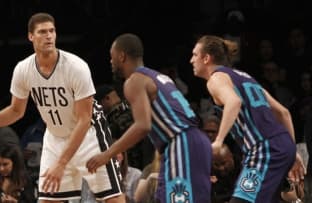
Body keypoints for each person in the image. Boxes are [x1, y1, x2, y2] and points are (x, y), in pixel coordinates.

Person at [0, 12, 124, 203]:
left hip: (88, 137)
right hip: (55, 137)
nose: (49, 36)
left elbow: (84, 120)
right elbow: (16, 110)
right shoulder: (23, 69)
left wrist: (62, 163)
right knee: (47, 199)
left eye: (52, 31)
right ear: (31, 36)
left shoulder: (76, 67)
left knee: (112, 198)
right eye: (43, 32)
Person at [86, 33, 212, 203]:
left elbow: (143, 126)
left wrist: (108, 154)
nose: (110, 61)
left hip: (181, 143)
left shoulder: (133, 81)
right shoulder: (161, 77)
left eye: (112, 57)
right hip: (195, 141)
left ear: (122, 56)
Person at [190, 34, 306, 203]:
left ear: (206, 58)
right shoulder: (244, 77)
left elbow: (233, 102)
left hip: (265, 149)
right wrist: (292, 151)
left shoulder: (215, 78)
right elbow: (283, 113)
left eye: (194, 55)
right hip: (281, 145)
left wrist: (219, 140)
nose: (191, 60)